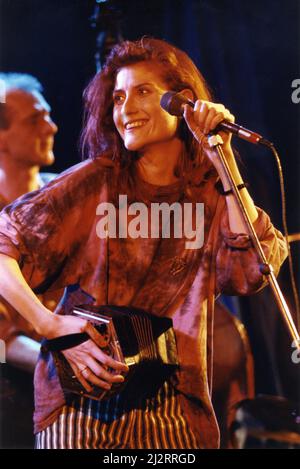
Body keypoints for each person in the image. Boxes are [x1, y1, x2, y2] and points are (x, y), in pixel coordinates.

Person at [0, 38, 287, 449]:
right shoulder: (94, 182)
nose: (126, 109)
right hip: (83, 408)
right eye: (118, 97)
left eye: (143, 92)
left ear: (182, 102)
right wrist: (51, 327)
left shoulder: (210, 193)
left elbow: (253, 268)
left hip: (176, 411)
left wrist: (220, 154)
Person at [0, 73, 58, 447]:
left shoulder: (66, 198)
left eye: (48, 115)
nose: (51, 126)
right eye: (34, 119)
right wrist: (60, 365)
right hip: (15, 386)